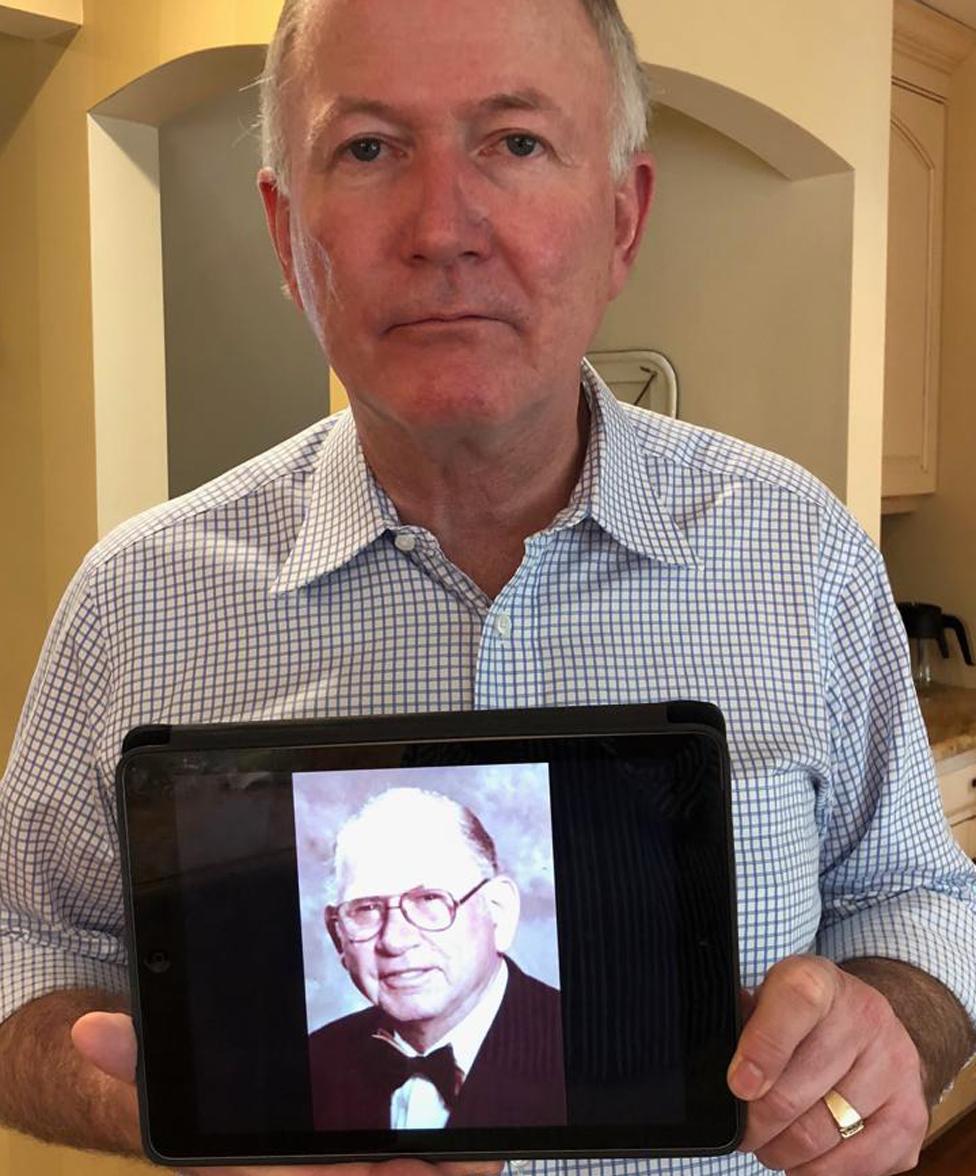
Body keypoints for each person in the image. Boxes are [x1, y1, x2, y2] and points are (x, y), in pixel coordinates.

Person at [0, 1, 974, 1175]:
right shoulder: (136, 600)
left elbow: (919, 894)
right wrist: (151, 1105)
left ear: (621, 218)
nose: (442, 227)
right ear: (282, 230)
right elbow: (21, 942)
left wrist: (895, 1034)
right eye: (367, 148)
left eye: (513, 142)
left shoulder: (799, 548)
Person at [307, 788, 565, 1130]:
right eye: (367, 908)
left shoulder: (584, 1049)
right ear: (337, 935)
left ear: (498, 913)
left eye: (429, 899)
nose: (394, 940)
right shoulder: (313, 1061)